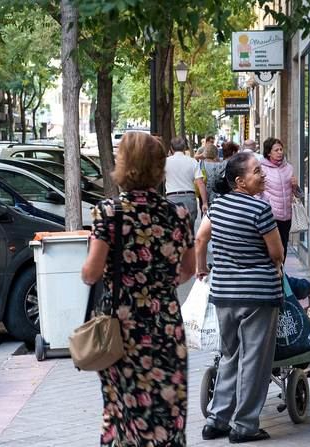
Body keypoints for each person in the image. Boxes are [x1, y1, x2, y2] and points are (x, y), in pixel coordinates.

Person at [81, 131, 195, 446]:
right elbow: (187, 270)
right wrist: (158, 286)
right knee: (166, 408)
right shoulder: (178, 214)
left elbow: (90, 274)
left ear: (124, 165)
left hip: (122, 331)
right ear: (159, 169)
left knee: (122, 407)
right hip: (165, 328)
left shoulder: (109, 213)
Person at [195, 151, 284, 443]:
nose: (263, 174)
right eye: (257, 171)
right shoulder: (260, 210)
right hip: (258, 295)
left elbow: (200, 238)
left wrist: (201, 268)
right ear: (240, 181)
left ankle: (217, 420)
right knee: (254, 361)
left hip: (223, 293)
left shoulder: (216, 208)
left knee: (229, 355)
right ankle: (244, 427)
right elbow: (276, 253)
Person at [259, 137, 299, 260]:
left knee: (283, 248)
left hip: (286, 216)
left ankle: (280, 275)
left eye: (281, 149)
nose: (280, 152)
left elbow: (297, 194)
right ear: (268, 152)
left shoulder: (288, 168)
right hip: (271, 216)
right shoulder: (261, 169)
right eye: (276, 150)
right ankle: (272, 275)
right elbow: (256, 192)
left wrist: (295, 186)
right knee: (271, 250)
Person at [165, 136, 208, 226]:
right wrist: (204, 203)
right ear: (184, 147)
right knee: (189, 229)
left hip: (171, 199)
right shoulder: (192, 162)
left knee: (173, 229)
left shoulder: (165, 162)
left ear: (171, 148)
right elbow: (200, 183)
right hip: (189, 198)